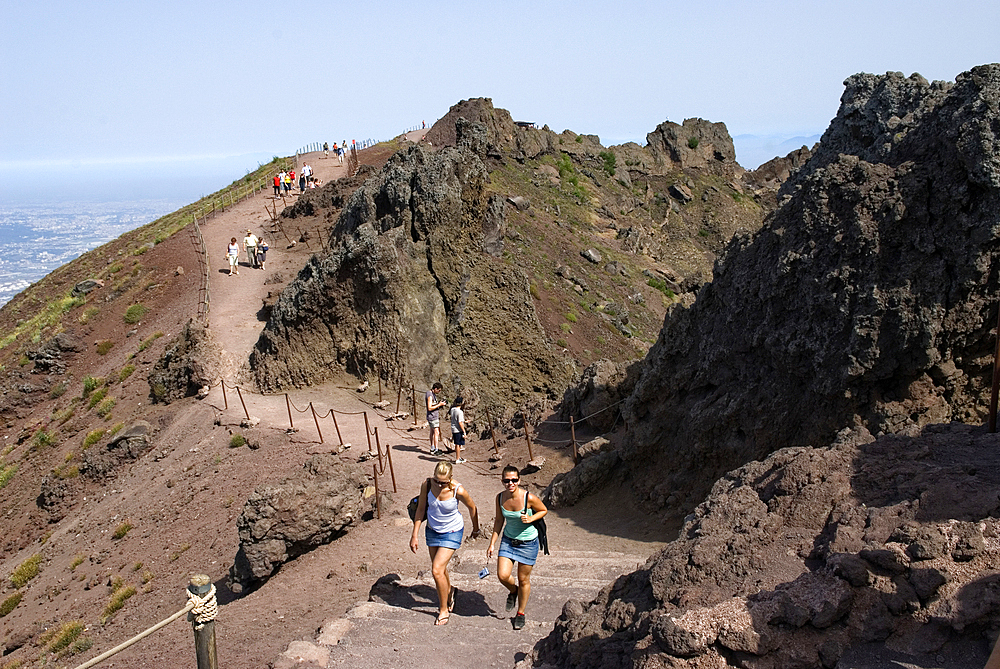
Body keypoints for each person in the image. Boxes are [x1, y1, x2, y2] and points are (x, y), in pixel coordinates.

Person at [409, 461, 480, 626]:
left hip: (452, 531)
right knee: (440, 569)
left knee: (436, 570)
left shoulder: (458, 490)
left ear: (451, 478)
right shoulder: (427, 485)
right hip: (433, 530)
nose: (439, 485)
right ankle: (450, 592)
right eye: (437, 481)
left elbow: (472, 508)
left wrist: (476, 529)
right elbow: (420, 509)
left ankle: (443, 610)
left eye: (443, 482)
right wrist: (414, 534)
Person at [487, 465, 548, 630]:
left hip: (528, 543)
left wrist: (531, 518)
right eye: (507, 480)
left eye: (514, 480)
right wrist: (492, 543)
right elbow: (499, 521)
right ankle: (513, 592)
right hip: (508, 540)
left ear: (519, 480)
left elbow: (543, 510)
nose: (510, 483)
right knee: (503, 575)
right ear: (502, 481)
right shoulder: (500, 498)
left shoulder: (528, 497)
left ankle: (520, 613)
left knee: (523, 580)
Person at [426, 382, 446, 455]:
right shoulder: (430, 395)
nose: (439, 392)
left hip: (432, 416)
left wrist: (439, 404)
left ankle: (432, 448)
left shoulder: (431, 394)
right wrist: (439, 405)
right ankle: (436, 449)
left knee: (432, 432)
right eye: (439, 390)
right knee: (436, 432)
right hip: (432, 416)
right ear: (435, 389)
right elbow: (429, 407)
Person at [449, 397, 467, 464]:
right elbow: (460, 422)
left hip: (453, 428)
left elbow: (456, 419)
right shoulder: (460, 412)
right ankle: (457, 458)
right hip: (458, 429)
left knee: (457, 444)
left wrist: (464, 421)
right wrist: (464, 431)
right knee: (458, 444)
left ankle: (458, 457)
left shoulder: (452, 409)